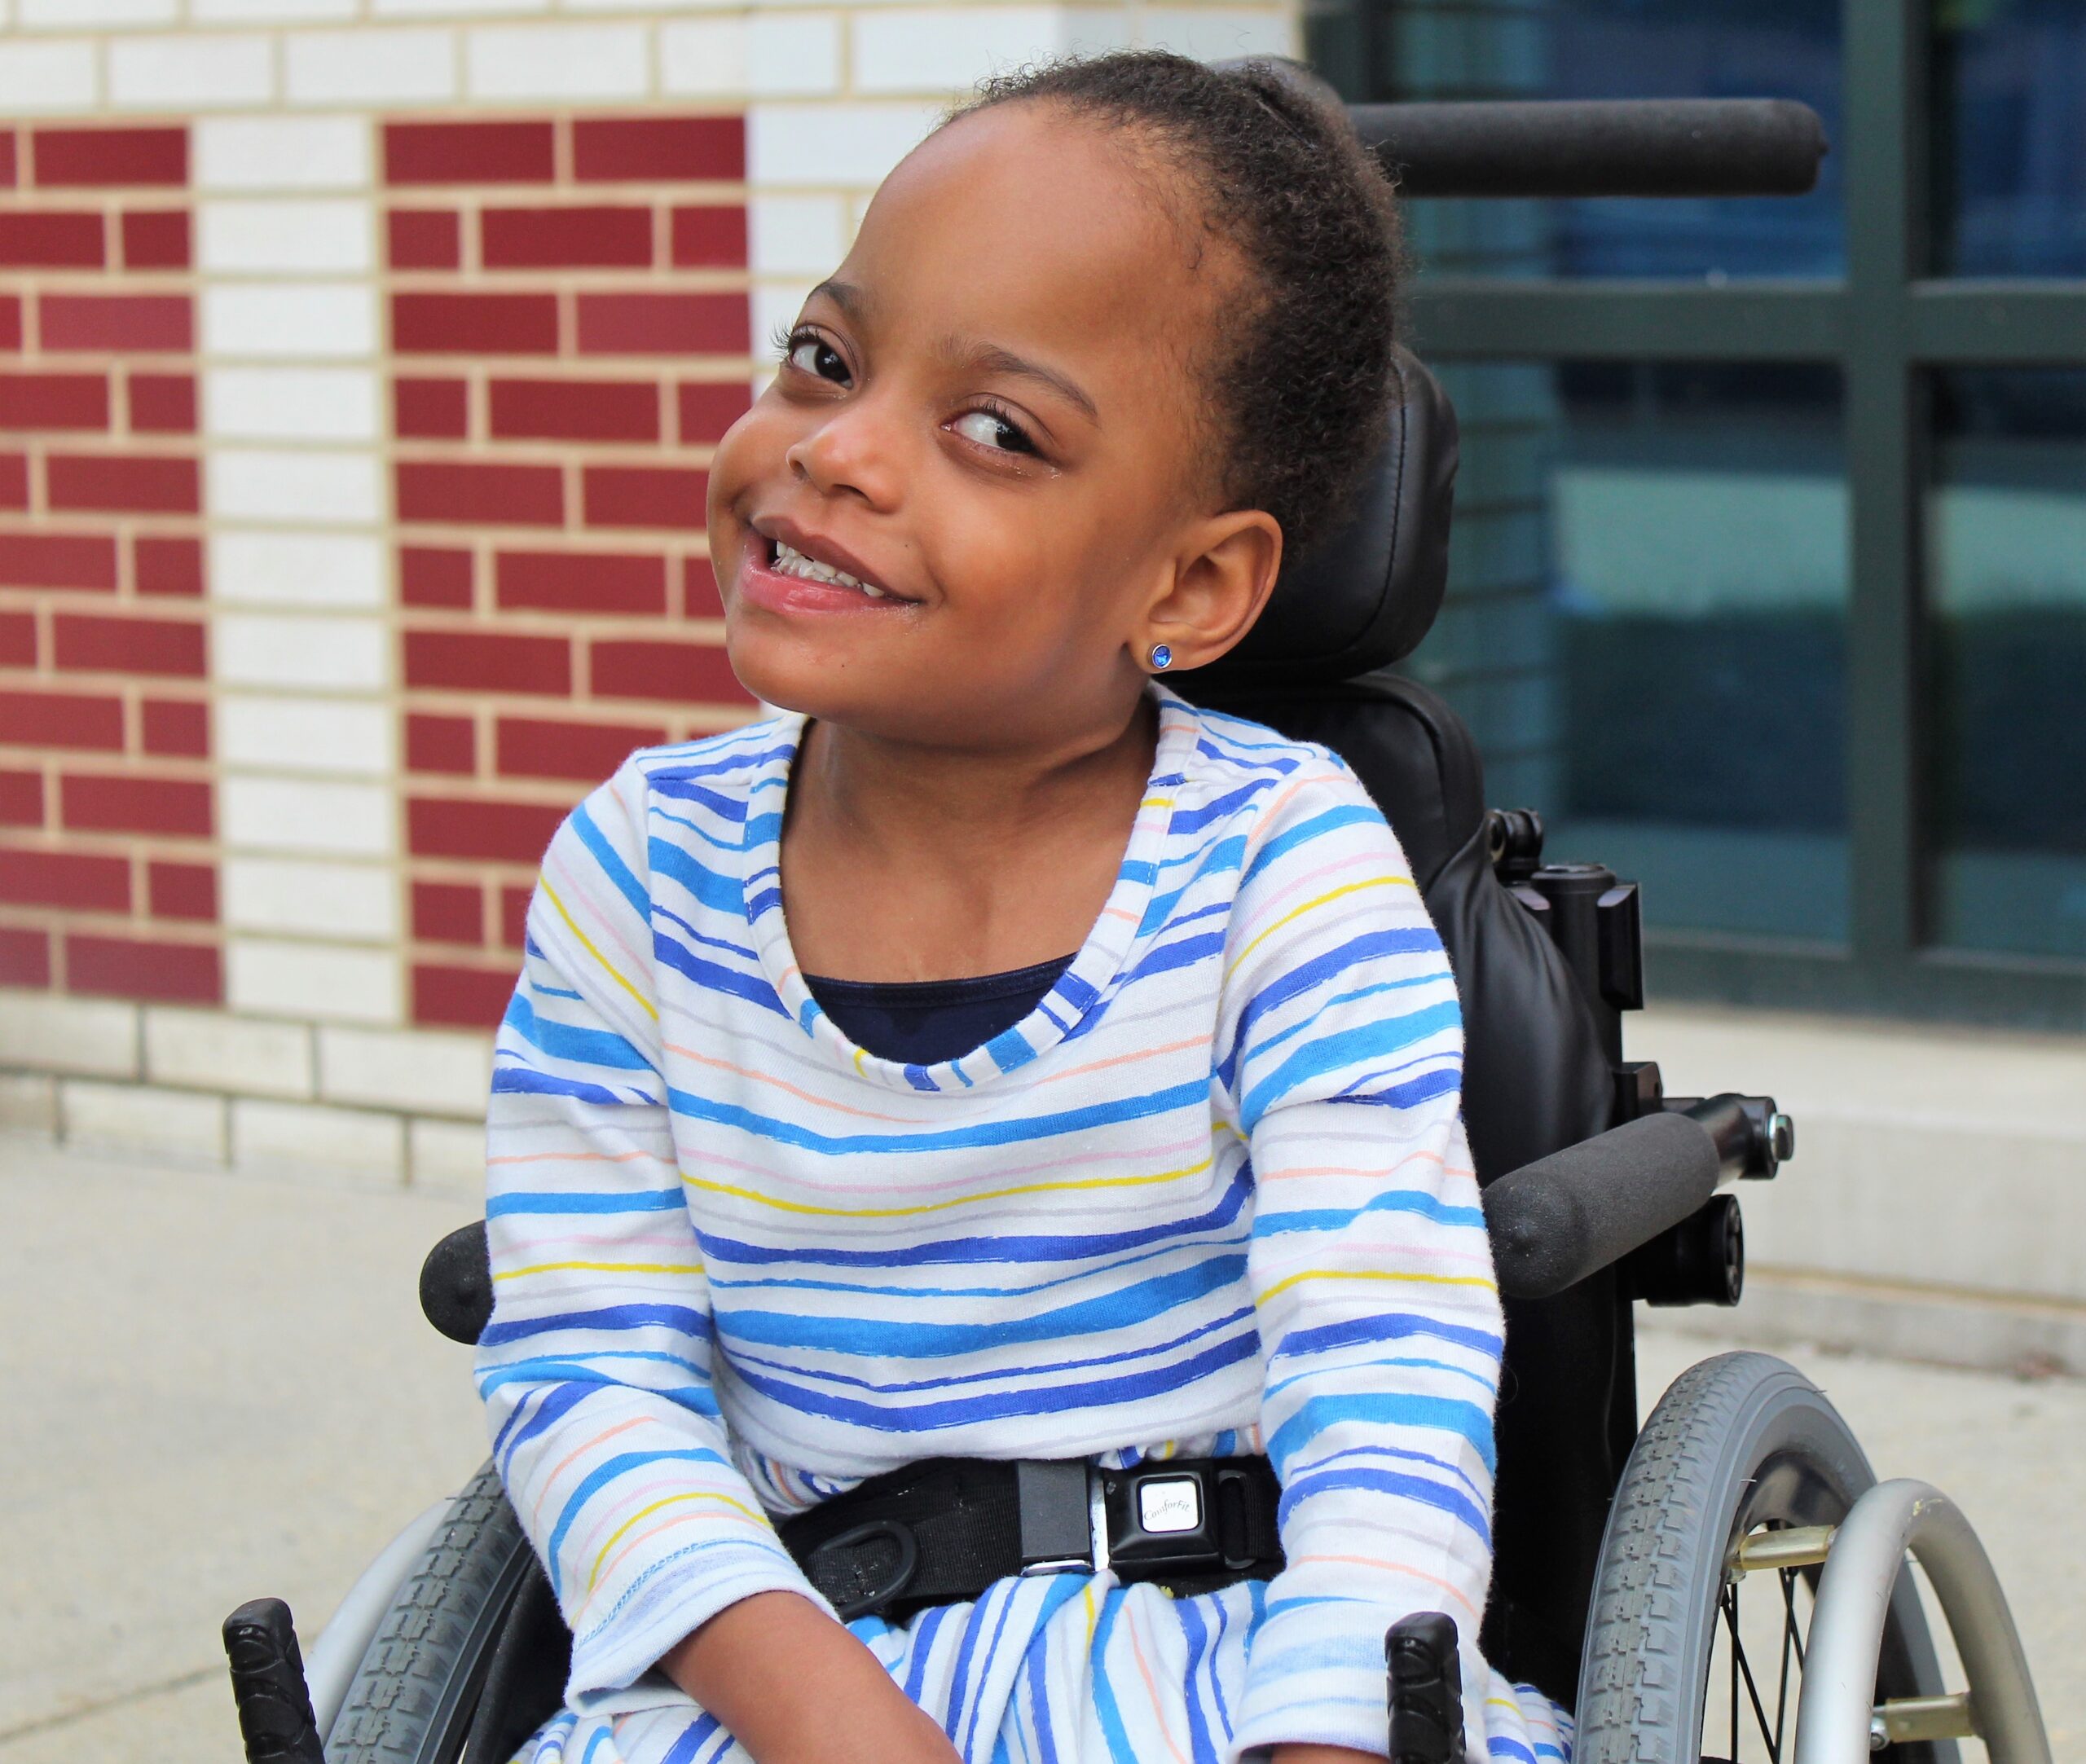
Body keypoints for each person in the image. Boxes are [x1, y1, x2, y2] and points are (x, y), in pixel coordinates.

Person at [477, 50, 1569, 1764]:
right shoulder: (638, 872)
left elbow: (1384, 1372)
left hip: (1217, 1662)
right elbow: (586, 1370)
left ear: (1190, 584)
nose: (833, 450)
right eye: (826, 358)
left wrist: (1325, 1733)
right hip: (791, 1663)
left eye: (992, 430)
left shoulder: (1278, 866)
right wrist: (827, 1720)